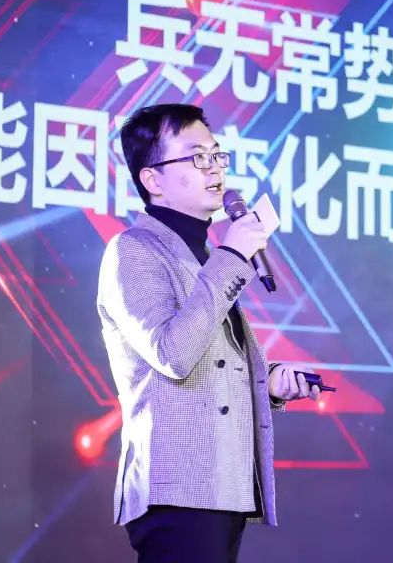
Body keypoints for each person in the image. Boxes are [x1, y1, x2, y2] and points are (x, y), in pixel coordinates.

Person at [97, 103, 318, 562]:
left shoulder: (201, 254)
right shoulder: (133, 250)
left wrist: (269, 383)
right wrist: (232, 257)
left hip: (223, 485)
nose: (215, 167)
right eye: (197, 157)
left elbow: (208, 358)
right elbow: (172, 353)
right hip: (176, 488)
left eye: (217, 155)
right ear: (153, 179)